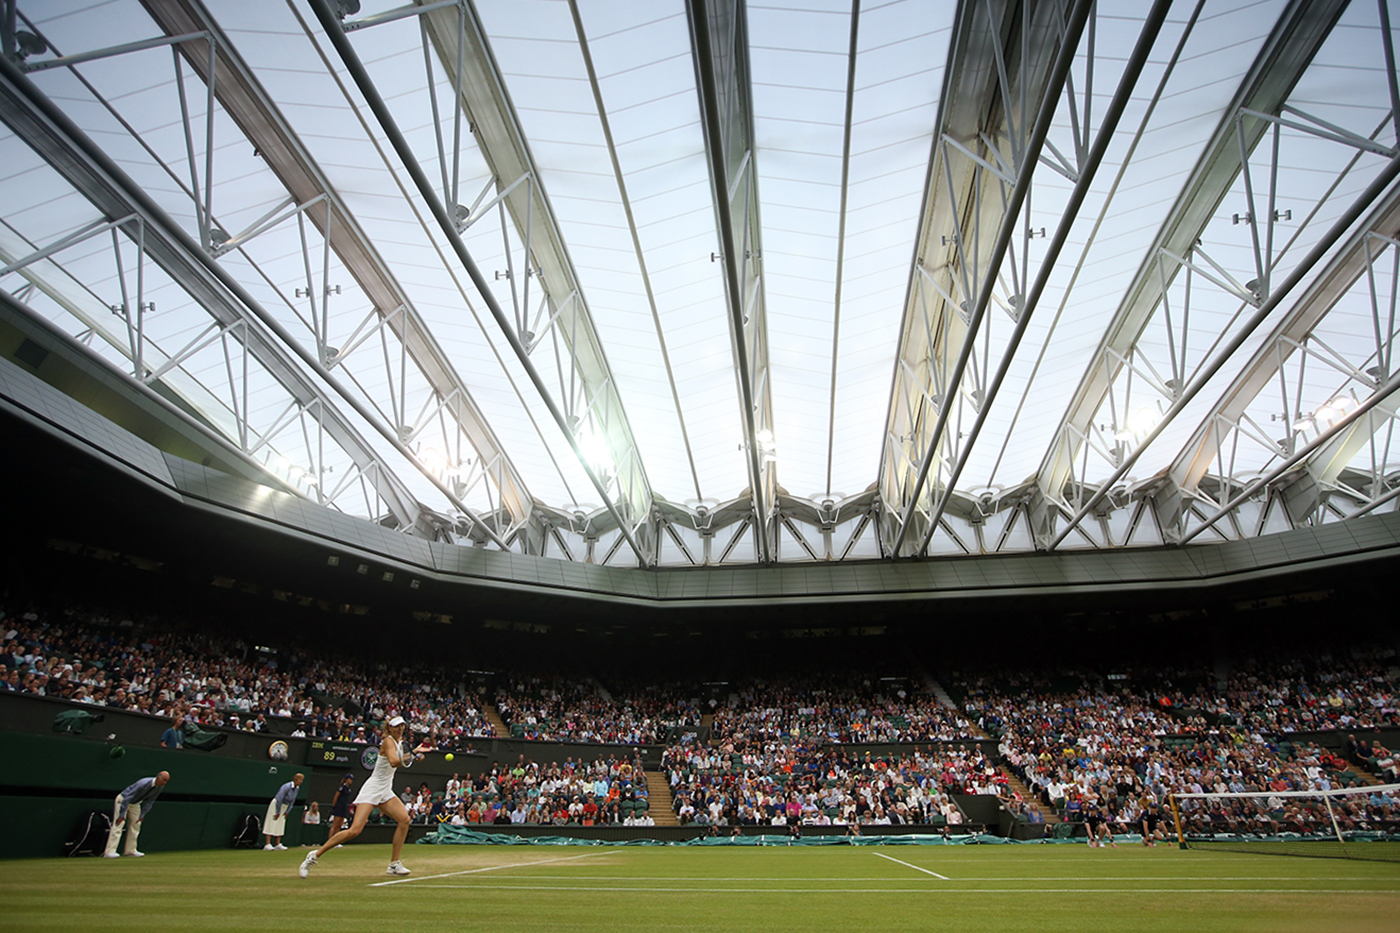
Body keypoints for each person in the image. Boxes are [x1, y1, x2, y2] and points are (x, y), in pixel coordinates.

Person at [299, 716, 428, 878]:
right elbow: (395, 762)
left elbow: (402, 759)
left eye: (402, 726)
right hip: (373, 788)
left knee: (404, 820)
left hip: (386, 790)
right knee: (355, 830)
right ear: (390, 728)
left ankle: (394, 864)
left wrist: (414, 753)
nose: (400, 729)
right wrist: (413, 755)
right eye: (396, 726)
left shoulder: (400, 743)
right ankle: (314, 855)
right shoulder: (388, 741)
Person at [104, 771, 169, 858]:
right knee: (119, 824)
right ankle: (110, 852)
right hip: (123, 800)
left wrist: (142, 815)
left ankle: (130, 851)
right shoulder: (143, 783)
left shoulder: (159, 787)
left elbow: (150, 801)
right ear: (158, 778)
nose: (164, 783)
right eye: (164, 780)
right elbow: (127, 798)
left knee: (136, 825)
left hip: (135, 803)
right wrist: (121, 815)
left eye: (166, 781)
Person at [264, 773, 305, 850]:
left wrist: (287, 811)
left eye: (302, 780)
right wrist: (277, 811)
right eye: (300, 779)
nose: (301, 781)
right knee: (272, 821)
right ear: (295, 780)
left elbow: (292, 801)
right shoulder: (286, 786)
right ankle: (267, 844)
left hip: (285, 806)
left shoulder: (297, 789)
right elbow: (279, 799)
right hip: (276, 805)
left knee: (281, 823)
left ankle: (277, 844)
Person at [327, 771, 355, 843]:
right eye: (350, 779)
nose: (351, 781)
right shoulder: (342, 787)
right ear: (346, 779)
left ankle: (335, 841)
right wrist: (334, 806)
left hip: (344, 807)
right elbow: (336, 796)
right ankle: (329, 841)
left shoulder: (348, 789)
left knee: (339, 825)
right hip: (339, 807)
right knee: (335, 825)